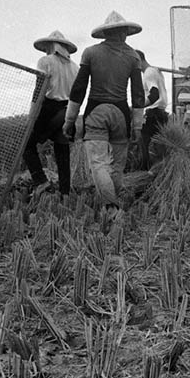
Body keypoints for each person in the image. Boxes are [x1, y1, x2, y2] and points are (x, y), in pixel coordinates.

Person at [62, 12, 145, 230]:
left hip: (96, 111)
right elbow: (137, 94)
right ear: (124, 33)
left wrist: (69, 120)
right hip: (121, 113)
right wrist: (137, 125)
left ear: (106, 33)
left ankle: (112, 208)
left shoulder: (91, 53)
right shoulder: (133, 57)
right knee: (116, 165)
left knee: (98, 163)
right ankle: (112, 206)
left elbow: (79, 89)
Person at [23, 30, 79, 202]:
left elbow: (39, 88)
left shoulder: (45, 61)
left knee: (26, 144)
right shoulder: (74, 67)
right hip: (68, 110)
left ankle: (40, 181)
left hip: (50, 108)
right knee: (62, 151)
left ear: (49, 46)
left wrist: (32, 115)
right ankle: (65, 193)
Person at [134, 49, 169, 171]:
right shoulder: (156, 71)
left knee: (143, 142)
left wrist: (139, 105)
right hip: (162, 112)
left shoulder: (148, 73)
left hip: (153, 112)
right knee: (160, 146)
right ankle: (160, 171)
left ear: (138, 60)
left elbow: (154, 94)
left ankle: (145, 171)